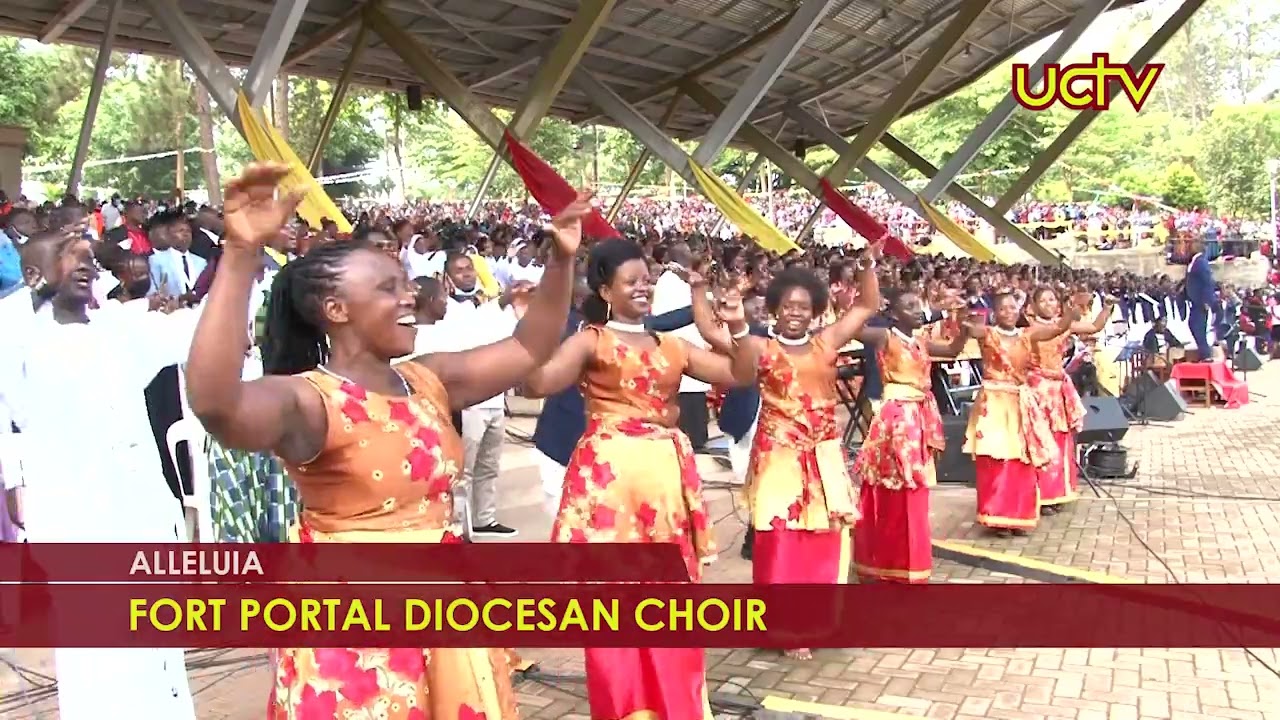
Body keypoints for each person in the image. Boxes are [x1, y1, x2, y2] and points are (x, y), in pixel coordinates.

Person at [184, 163, 589, 719]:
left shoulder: (428, 379)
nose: (410, 299)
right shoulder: (309, 401)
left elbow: (528, 346)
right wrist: (239, 251)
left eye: (406, 284)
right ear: (336, 310)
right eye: (387, 288)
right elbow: (215, 403)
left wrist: (562, 260)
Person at [522, 237, 738, 720]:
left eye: (647, 279)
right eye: (631, 281)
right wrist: (537, 323)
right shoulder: (591, 339)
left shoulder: (673, 345)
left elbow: (739, 373)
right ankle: (626, 707)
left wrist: (730, 323)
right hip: (609, 485)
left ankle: (675, 705)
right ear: (605, 289)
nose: (643, 288)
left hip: (664, 483)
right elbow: (536, 384)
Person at [9, 227, 199, 718]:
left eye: (89, 256)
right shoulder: (17, 335)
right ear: (32, 274)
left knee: (158, 643)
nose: (85, 263)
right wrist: (13, 480)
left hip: (142, 511)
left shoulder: (114, 328)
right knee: (99, 653)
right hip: (79, 517)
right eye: (69, 255)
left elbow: (188, 335)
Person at [705, 252, 878, 659]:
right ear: (775, 310)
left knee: (823, 538)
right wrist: (737, 325)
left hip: (821, 456)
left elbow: (867, 305)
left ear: (815, 310)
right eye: (787, 307)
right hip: (778, 456)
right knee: (781, 538)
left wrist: (868, 268)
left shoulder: (826, 342)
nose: (795, 313)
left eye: (803, 307)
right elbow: (743, 374)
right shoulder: (759, 345)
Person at [851, 288, 971, 584]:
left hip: (917, 415)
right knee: (896, 482)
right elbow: (853, 329)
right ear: (894, 313)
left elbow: (953, 351)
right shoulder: (885, 337)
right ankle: (885, 559)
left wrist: (965, 330)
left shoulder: (920, 341)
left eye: (919, 305)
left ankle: (906, 560)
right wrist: (867, 301)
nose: (917, 311)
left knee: (914, 486)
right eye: (909, 306)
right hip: (896, 418)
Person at [964, 292, 1075, 536]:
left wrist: (1070, 311)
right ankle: (997, 517)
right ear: (995, 313)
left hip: (1019, 400)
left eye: (1013, 308)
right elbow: (971, 330)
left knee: (1021, 460)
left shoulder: (1028, 334)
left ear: (1020, 310)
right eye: (1003, 309)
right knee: (997, 459)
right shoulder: (989, 333)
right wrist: (965, 315)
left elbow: (1057, 328)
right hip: (993, 401)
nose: (1009, 313)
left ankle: (1019, 516)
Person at [1025, 287, 1113, 513]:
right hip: (1038, 388)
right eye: (1042, 300)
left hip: (1058, 388)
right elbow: (1055, 331)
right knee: (1041, 441)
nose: (1048, 303)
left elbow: (1094, 327)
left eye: (1052, 299)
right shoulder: (1030, 328)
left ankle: (1058, 492)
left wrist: (1107, 307)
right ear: (1033, 306)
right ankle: (1040, 495)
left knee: (1061, 439)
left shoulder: (1063, 324)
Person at [1185, 236, 1215, 361]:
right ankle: (1204, 353)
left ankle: (1206, 354)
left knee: (1198, 326)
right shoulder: (1194, 261)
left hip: (1200, 302)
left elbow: (1207, 282)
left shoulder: (1201, 262)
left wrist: (1206, 300)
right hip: (1194, 301)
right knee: (1194, 324)